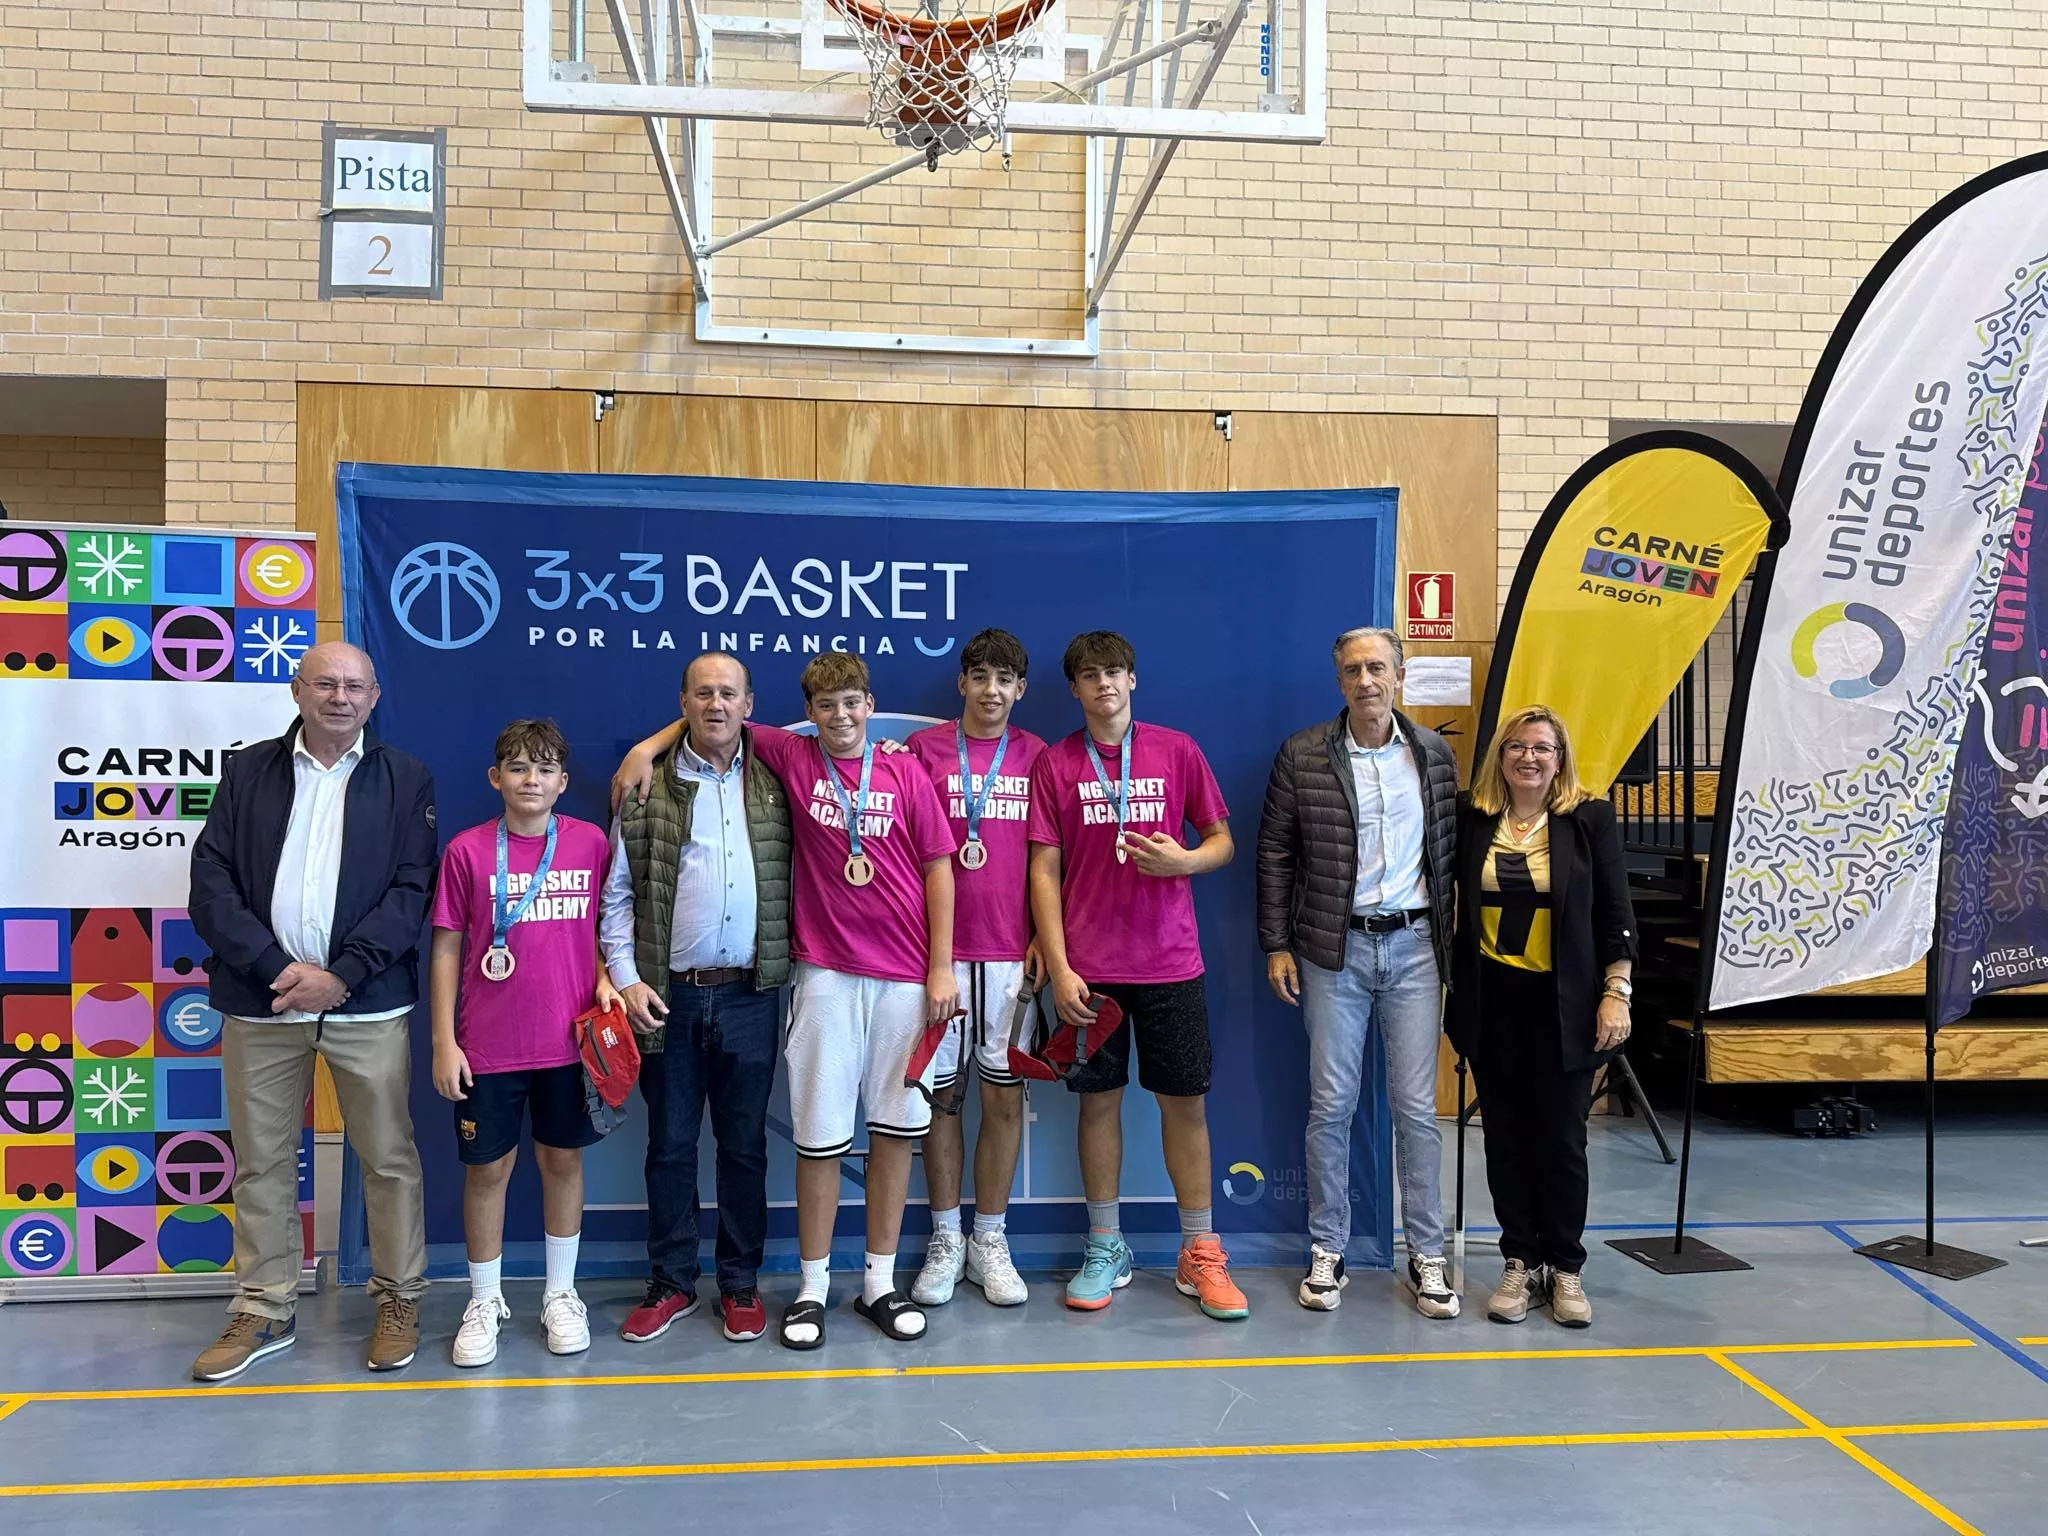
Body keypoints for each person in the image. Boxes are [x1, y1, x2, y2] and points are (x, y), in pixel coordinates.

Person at [614, 655, 958, 1347]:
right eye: (826, 705)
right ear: (808, 712)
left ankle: (879, 1283)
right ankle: (811, 1288)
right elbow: (714, 720)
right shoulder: (792, 756)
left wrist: (942, 967)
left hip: (904, 978)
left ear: (870, 704)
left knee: (893, 1134)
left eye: (853, 702)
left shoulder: (907, 772)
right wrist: (644, 748)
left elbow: (938, 867)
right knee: (818, 1137)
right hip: (822, 975)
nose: (841, 715)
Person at [186, 641, 437, 1382]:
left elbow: (411, 892)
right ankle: (264, 1307)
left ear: (374, 696)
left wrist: (341, 976)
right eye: (324, 683)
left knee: (388, 1157)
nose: (339, 697)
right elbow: (210, 880)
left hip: (368, 1005)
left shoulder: (406, 777)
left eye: (354, 686)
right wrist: (277, 968)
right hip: (261, 1001)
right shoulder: (247, 771)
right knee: (261, 1161)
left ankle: (398, 1299)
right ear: (297, 691)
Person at [1027, 630, 1245, 1321]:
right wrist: (1060, 966)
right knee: (1098, 1105)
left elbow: (1222, 841)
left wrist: (1186, 861)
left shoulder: (1177, 750)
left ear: (1132, 679)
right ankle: (1106, 1245)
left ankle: (1199, 1250)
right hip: (1090, 973)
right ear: (1074, 688)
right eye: (1090, 675)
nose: (1104, 684)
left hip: (1171, 964)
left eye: (1115, 671)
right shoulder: (1056, 762)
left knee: (1186, 1105)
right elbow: (1043, 870)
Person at [1257, 626, 1460, 1317]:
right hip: (1331, 951)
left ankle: (1427, 1254)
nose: (1366, 680)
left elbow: (1449, 854)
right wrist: (1276, 944)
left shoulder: (1433, 754)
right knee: (1332, 1105)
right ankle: (1328, 1249)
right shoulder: (1303, 753)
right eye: (1352, 670)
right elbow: (1275, 853)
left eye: (1377, 667)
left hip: (1416, 949)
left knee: (1416, 1111)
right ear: (1339, 680)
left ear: (1399, 676)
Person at [599, 653, 790, 1348]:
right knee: (671, 1147)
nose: (716, 704)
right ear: (682, 703)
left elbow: (844, 749)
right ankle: (672, 1282)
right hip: (668, 996)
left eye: (728, 693)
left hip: (750, 995)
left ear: (749, 704)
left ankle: (739, 1283)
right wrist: (627, 980)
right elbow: (616, 897)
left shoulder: (778, 778)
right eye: (703, 693)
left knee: (745, 1149)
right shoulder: (647, 782)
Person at [429, 719, 617, 1367]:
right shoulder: (467, 852)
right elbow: (446, 949)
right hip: (488, 1047)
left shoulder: (590, 843)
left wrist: (606, 979)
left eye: (543, 769)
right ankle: (484, 1300)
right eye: (517, 767)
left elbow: (603, 929)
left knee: (563, 1164)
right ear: (495, 778)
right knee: (488, 1171)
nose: (530, 779)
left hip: (570, 1044)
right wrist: (444, 1041)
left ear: (563, 782)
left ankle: (560, 1294)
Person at [1448, 704, 1636, 1330]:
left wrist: (1616, 990)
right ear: (1500, 756)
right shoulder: (1473, 818)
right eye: (1517, 747)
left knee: (1560, 1140)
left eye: (1542, 748)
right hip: (1493, 1000)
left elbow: (1615, 911)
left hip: (1566, 1004)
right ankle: (1520, 1262)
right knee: (1504, 1137)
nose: (1528, 757)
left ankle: (1565, 1265)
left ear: (1560, 760)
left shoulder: (1588, 819)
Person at [905, 630, 1046, 1310]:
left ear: (1021, 689)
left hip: (1011, 955)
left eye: (1005, 679)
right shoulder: (920, 751)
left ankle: (989, 1237)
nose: (992, 690)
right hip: (936, 957)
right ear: (961, 683)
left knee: (1003, 1098)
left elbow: (1052, 859)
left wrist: (1047, 939)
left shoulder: (1038, 756)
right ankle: (945, 1237)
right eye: (981, 676)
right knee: (940, 1099)